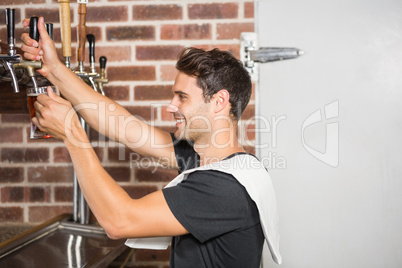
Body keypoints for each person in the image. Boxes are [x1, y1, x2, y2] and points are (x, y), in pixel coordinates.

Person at [20, 17, 281, 267]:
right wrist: (53, 68)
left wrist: (72, 132)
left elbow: (118, 221)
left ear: (219, 102)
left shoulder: (224, 188)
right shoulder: (226, 163)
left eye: (182, 97)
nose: (170, 106)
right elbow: (121, 125)